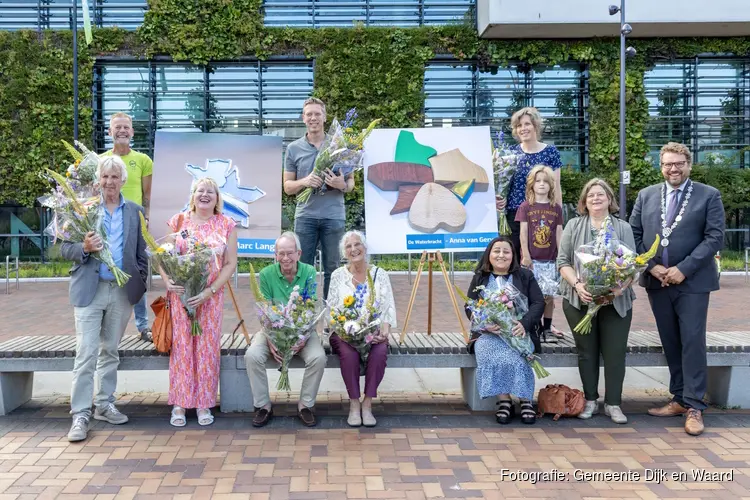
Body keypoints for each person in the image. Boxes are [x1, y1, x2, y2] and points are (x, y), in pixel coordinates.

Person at [630, 142, 725, 436]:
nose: (673, 169)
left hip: (693, 282)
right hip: (657, 281)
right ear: (661, 166)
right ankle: (680, 398)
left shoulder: (708, 195)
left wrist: (683, 269)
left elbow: (714, 238)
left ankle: (695, 405)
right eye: (668, 164)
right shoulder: (646, 196)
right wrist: (651, 266)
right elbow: (632, 234)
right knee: (671, 341)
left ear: (689, 165)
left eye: (679, 163)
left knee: (692, 340)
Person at [60, 156, 148, 442]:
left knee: (110, 350)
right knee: (86, 353)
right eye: (105, 177)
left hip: (120, 293)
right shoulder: (82, 210)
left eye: (114, 177)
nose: (109, 182)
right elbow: (63, 249)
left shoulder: (135, 211)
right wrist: (84, 247)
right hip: (90, 289)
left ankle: (104, 404)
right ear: (98, 180)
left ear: (123, 181)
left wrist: (140, 283)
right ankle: (80, 414)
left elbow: (141, 251)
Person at [159, 177, 238, 427]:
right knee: (182, 349)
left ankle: (204, 403)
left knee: (206, 349)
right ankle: (180, 404)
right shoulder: (179, 221)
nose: (205, 195)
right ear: (192, 196)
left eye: (210, 192)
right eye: (200, 191)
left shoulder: (226, 224)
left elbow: (230, 263)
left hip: (210, 298)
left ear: (217, 199)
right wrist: (167, 281)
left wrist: (210, 290)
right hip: (181, 296)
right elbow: (163, 256)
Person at [557, 178, 634, 424]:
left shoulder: (623, 228)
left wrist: (616, 290)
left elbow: (632, 267)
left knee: (614, 353)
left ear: (610, 200)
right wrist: (579, 286)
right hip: (579, 300)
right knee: (587, 353)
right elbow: (563, 262)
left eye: (601, 194)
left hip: (615, 301)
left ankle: (614, 404)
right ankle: (590, 400)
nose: (596, 198)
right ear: (584, 201)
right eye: (591, 195)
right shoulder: (573, 225)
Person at [245, 231, 328, 428]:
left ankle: (305, 405)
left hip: (303, 332)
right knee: (252, 356)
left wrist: (302, 338)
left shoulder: (308, 271)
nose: (285, 258)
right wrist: (272, 340)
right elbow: (264, 311)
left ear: (299, 254)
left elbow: (311, 308)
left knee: (318, 357)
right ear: (275, 254)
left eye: (290, 253)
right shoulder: (266, 274)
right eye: (280, 253)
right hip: (271, 331)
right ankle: (263, 406)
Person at [497, 107, 564, 337]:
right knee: (516, 266)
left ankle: (545, 322)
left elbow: (556, 188)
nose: (523, 128)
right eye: (519, 125)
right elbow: (503, 186)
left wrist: (558, 218)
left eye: (527, 124)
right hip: (516, 217)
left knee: (545, 272)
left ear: (536, 126)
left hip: (544, 219)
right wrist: (499, 200)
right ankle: (517, 318)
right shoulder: (510, 153)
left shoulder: (550, 152)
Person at [464, 236, 544, 425]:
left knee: (519, 353)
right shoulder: (480, 277)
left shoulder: (525, 276)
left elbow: (538, 303)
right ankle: (504, 400)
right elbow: (470, 307)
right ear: (489, 255)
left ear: (513, 255)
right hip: (490, 333)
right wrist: (484, 323)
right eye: (496, 251)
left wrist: (524, 323)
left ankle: (525, 399)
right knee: (488, 351)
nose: (501, 255)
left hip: (518, 331)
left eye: (506, 251)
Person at [283, 97, 354, 300]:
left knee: (334, 268)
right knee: (302, 268)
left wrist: (342, 185)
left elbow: (350, 183)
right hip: (305, 217)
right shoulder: (293, 148)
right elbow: (287, 187)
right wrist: (304, 181)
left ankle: (333, 320)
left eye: (317, 114)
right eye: (309, 114)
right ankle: (301, 317)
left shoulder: (339, 146)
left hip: (333, 216)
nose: (313, 118)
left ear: (324, 117)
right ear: (303, 118)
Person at [327, 231, 397, 428]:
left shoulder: (379, 275)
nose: (353, 249)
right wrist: (345, 330)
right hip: (343, 334)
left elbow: (388, 307)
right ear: (344, 252)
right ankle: (354, 404)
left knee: (380, 351)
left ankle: (367, 404)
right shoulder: (338, 276)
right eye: (348, 247)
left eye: (357, 244)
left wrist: (384, 331)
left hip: (372, 332)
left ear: (365, 248)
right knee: (348, 355)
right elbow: (331, 310)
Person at [102, 112, 154, 342]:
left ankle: (143, 326)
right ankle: (106, 324)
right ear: (110, 132)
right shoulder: (100, 159)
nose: (122, 131)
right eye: (117, 127)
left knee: (137, 273)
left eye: (126, 127)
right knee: (104, 271)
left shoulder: (143, 160)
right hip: (107, 223)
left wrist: (147, 220)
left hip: (134, 224)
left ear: (132, 132)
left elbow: (148, 195)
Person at [515, 165, 563, 343]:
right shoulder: (526, 207)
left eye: (545, 181)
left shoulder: (556, 208)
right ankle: (532, 326)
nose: (542, 184)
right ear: (531, 184)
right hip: (532, 260)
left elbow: (559, 233)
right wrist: (525, 255)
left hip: (550, 260)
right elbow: (523, 233)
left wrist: (561, 257)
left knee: (549, 296)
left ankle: (548, 328)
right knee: (531, 296)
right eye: (538, 181)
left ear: (551, 185)